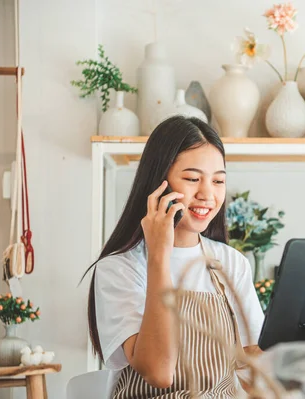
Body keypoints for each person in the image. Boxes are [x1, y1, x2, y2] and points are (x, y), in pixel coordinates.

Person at [83, 116, 265, 398]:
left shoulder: (231, 263)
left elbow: (251, 357)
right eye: (193, 179)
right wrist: (158, 255)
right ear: (158, 185)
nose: (207, 194)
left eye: (218, 181)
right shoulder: (119, 269)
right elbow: (159, 372)